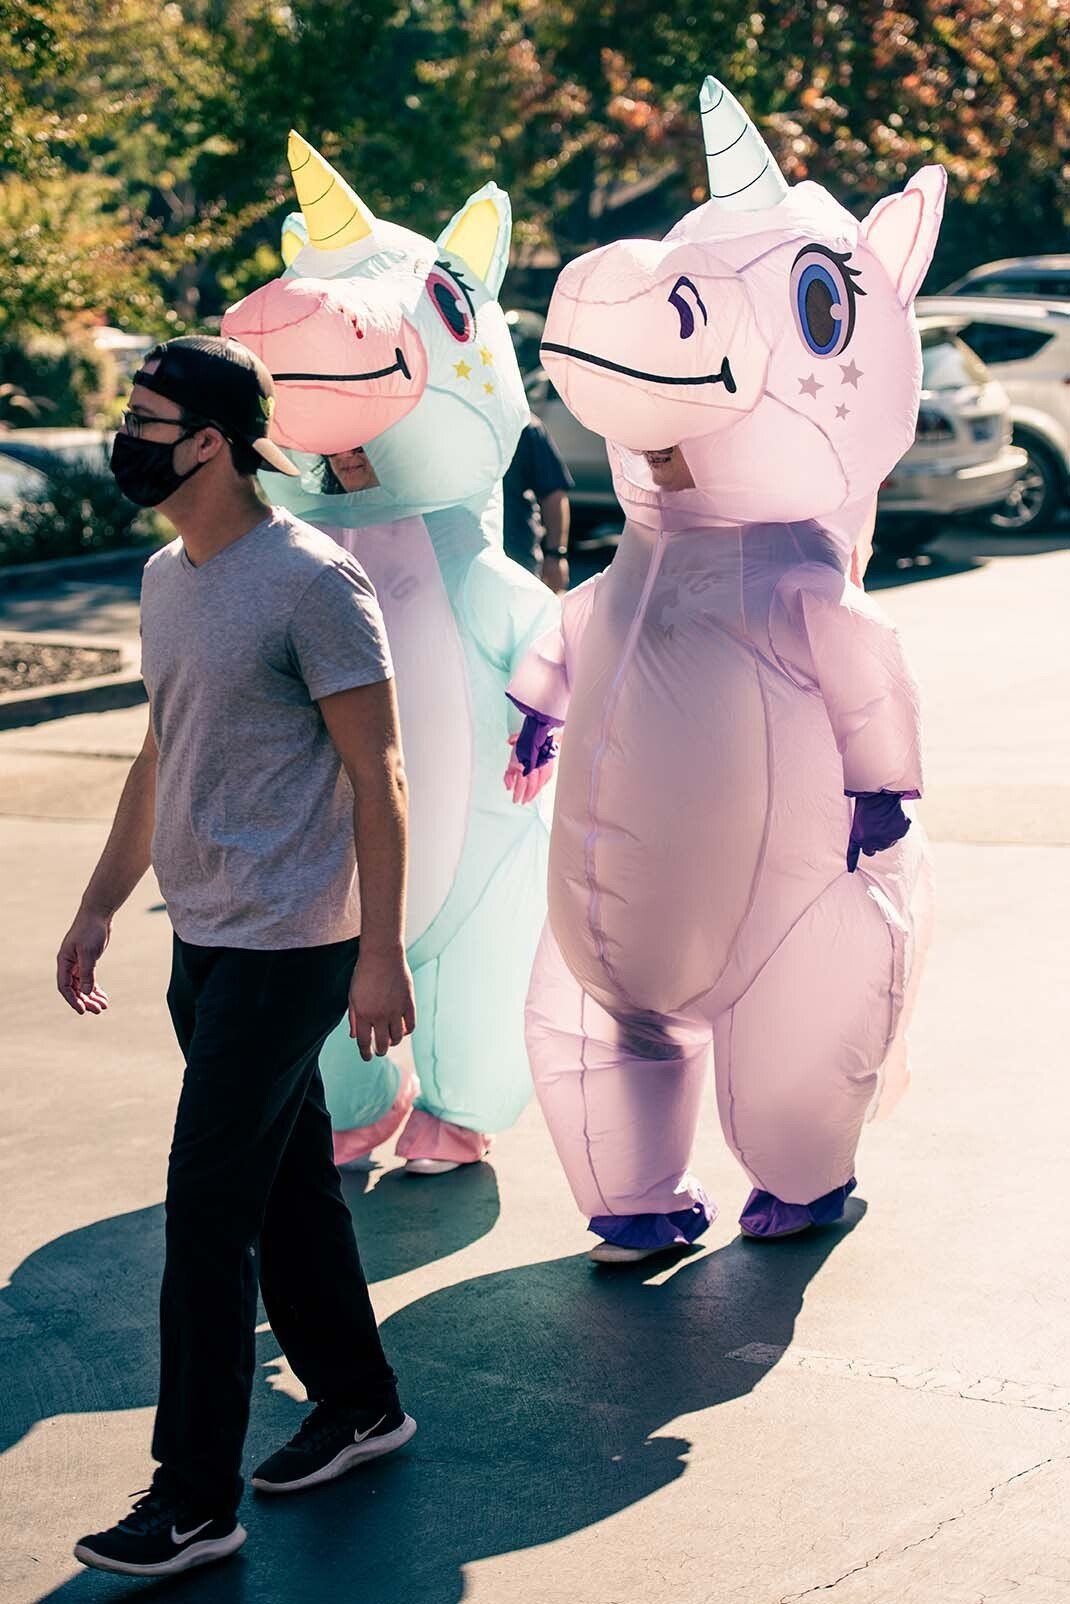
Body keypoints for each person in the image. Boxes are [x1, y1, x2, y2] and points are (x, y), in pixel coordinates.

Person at [56, 335, 416, 1578]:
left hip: (291, 945)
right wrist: (103, 900)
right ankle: (363, 1401)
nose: (129, 435)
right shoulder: (168, 575)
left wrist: (382, 954)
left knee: (206, 1215)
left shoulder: (312, 581)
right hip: (203, 939)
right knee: (283, 1187)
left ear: (209, 440)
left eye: (148, 417)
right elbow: (163, 754)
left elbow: (380, 774)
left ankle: (193, 1497)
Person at [502, 413, 574, 593]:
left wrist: (556, 556)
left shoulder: (524, 423)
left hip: (516, 558)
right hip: (456, 556)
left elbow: (554, 494)